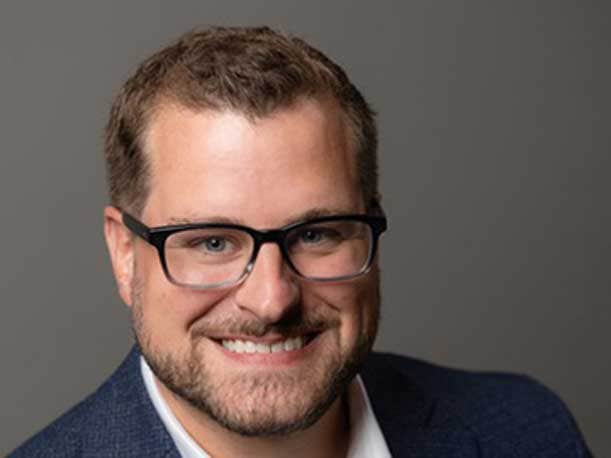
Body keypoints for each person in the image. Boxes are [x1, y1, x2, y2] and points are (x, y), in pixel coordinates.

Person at [10, 26, 591, 458]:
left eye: (315, 234)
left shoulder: (529, 430)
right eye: (212, 243)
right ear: (123, 254)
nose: (272, 301)